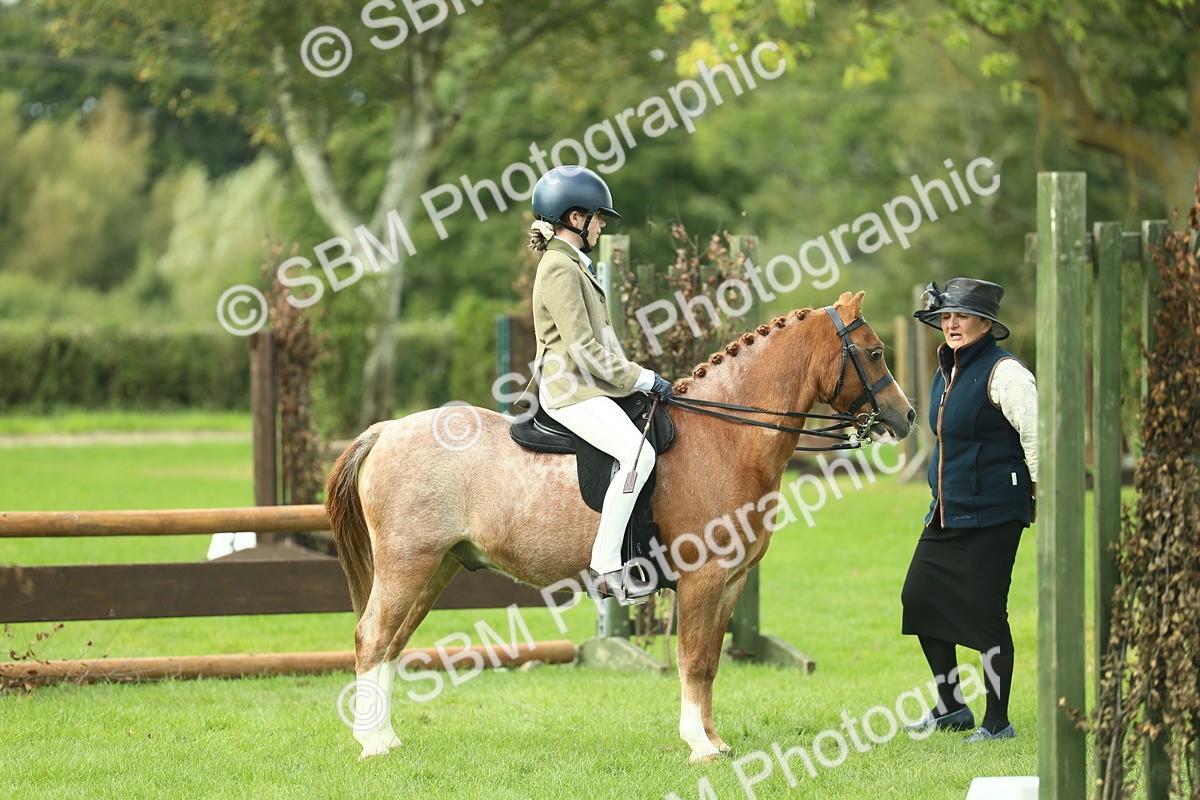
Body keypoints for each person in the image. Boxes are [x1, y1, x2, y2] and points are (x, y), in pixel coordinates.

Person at [527, 165, 674, 606]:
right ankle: (607, 566)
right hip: (571, 389)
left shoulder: (573, 264)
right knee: (637, 453)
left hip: (593, 386)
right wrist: (641, 377)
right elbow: (584, 349)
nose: (602, 224)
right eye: (598, 217)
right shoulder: (559, 268)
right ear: (576, 218)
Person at [901, 277, 1038, 743]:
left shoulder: (1007, 373)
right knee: (919, 597)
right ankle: (950, 707)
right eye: (947, 315)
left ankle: (997, 722)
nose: (952, 323)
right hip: (946, 510)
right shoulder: (947, 370)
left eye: (962, 315)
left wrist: (1040, 496)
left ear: (986, 323)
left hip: (997, 512)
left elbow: (1037, 439)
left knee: (985, 614)